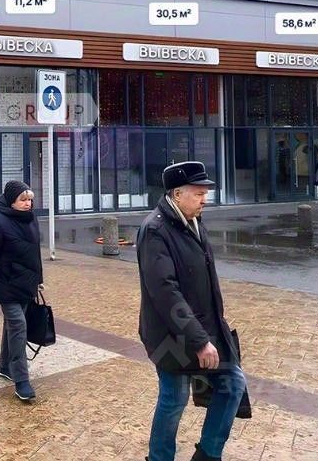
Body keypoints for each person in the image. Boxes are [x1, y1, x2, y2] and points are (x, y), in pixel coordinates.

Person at [137, 161, 247, 461]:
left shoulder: (193, 221)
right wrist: (199, 341)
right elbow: (165, 293)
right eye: (198, 193)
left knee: (233, 384)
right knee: (174, 398)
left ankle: (208, 454)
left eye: (205, 193)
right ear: (177, 194)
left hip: (206, 327)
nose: (204, 199)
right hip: (169, 334)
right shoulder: (155, 230)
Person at [0, 180, 44, 403]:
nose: (28, 204)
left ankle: (5, 367)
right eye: (23, 200)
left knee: (13, 325)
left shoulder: (31, 218)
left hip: (26, 284)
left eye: (30, 200)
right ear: (12, 200)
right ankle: (22, 380)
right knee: (18, 325)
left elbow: (34, 253)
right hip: (5, 284)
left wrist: (38, 280)